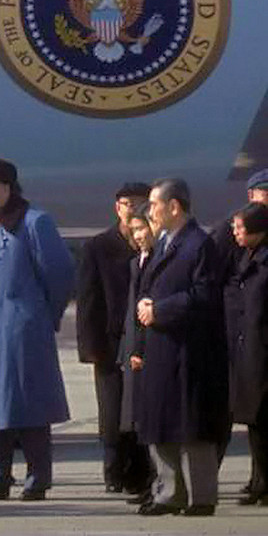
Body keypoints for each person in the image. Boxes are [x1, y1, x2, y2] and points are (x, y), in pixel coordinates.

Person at [0, 156, 74, 502]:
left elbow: (60, 273)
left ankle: (37, 477)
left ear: (7, 188)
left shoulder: (35, 223)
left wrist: (38, 317)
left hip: (19, 334)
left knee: (29, 405)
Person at [134, 177, 229, 517]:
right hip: (161, 346)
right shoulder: (164, 243)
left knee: (191, 426)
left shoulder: (199, 244)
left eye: (154, 205)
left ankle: (200, 497)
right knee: (160, 422)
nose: (150, 212)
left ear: (174, 207)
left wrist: (160, 309)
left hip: (189, 350)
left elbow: (204, 295)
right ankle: (169, 492)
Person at [76, 181, 154, 494]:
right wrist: (90, 346)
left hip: (142, 340)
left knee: (138, 410)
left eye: (139, 203)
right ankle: (113, 471)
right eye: (126, 203)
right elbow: (88, 299)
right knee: (111, 411)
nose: (131, 209)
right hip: (109, 342)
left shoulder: (152, 244)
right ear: (116, 207)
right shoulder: (98, 246)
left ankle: (140, 471)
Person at [225, 203, 268, 506]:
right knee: (255, 421)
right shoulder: (246, 257)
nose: (235, 233)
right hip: (248, 348)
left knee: (264, 419)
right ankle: (258, 480)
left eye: (241, 227)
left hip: (263, 349)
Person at [117, 207, 157, 503]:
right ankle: (149, 483)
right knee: (136, 422)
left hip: (150, 351)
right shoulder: (135, 263)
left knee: (152, 420)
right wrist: (127, 350)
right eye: (134, 231)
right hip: (134, 350)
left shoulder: (159, 262)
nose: (139, 235)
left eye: (143, 228)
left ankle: (158, 484)